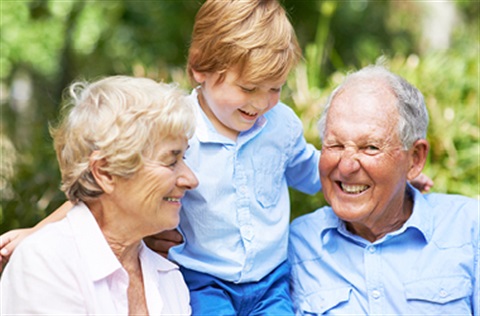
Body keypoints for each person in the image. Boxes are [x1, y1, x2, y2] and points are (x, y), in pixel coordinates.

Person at [0, 1, 433, 314]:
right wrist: (36, 232)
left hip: (269, 279)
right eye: (248, 89)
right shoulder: (177, 128)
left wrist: (394, 183)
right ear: (199, 70)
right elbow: (105, 183)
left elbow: (317, 170)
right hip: (204, 278)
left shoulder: (278, 124)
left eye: (274, 88)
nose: (261, 103)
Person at [288, 65, 479, 315]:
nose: (345, 166)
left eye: (370, 147)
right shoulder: (298, 244)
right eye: (334, 145)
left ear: (415, 159)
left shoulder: (468, 227)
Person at [0, 76, 198, 314]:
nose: (192, 180)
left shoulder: (169, 278)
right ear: (105, 172)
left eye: (184, 158)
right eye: (171, 161)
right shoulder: (46, 261)